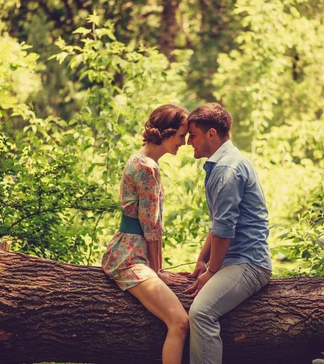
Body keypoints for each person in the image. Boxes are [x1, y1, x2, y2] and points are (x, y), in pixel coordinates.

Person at [181, 103, 272, 364]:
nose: (189, 142)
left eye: (193, 135)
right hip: (235, 262)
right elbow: (218, 223)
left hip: (248, 263)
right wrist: (202, 260)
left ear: (211, 134)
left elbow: (224, 229)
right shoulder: (225, 164)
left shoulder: (227, 169)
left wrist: (211, 272)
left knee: (201, 312)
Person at [101, 104, 190, 364]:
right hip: (129, 257)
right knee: (180, 322)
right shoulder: (148, 168)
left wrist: (160, 272)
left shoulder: (137, 158)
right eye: (181, 136)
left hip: (127, 251)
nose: (183, 143)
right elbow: (152, 227)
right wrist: (158, 271)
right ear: (166, 133)